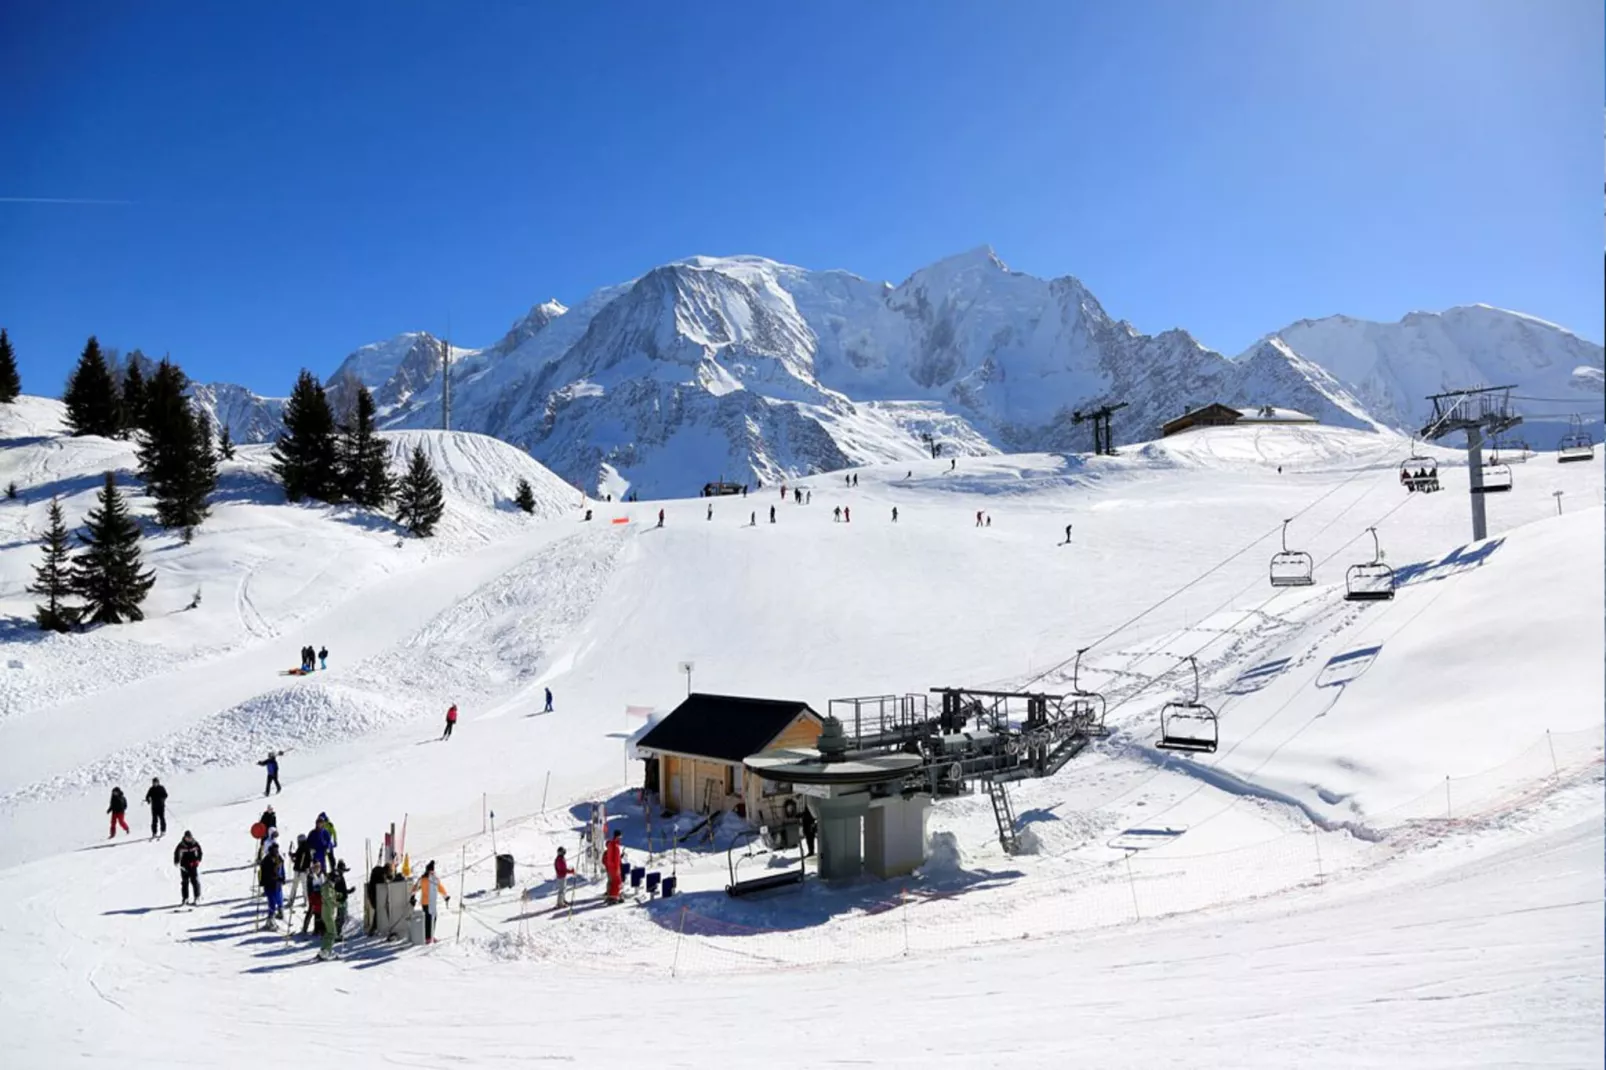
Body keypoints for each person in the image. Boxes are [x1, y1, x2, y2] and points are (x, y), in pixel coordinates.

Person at [413, 861, 449, 944]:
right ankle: (428, 937)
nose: (432, 872)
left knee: (429, 919)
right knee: (431, 919)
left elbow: (415, 888)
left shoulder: (422, 879)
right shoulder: (431, 879)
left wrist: (413, 895)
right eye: (431, 871)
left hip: (426, 903)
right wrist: (445, 896)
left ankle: (429, 936)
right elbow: (440, 888)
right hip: (429, 902)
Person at [318, 867, 346, 960]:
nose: (337, 880)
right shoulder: (327, 887)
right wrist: (339, 905)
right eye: (336, 878)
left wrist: (339, 895)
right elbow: (329, 899)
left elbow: (332, 894)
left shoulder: (329, 886)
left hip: (328, 912)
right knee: (333, 933)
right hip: (327, 913)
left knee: (329, 932)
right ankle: (327, 952)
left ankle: (324, 950)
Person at [259, 843, 287, 923]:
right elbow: (265, 873)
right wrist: (263, 881)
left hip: (277, 884)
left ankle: (280, 912)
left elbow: (282, 869)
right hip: (270, 884)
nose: (276, 851)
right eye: (274, 850)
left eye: (277, 850)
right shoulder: (267, 860)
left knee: (279, 899)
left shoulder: (279, 858)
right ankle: (270, 920)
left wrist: (283, 878)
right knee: (272, 902)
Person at [174, 831, 203, 905]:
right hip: (184, 866)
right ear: (185, 837)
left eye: (190, 837)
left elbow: (200, 852)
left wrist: (198, 860)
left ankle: (197, 897)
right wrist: (176, 861)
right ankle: (185, 898)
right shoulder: (181, 845)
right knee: (185, 882)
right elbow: (176, 853)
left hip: (193, 865)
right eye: (187, 838)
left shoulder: (195, 843)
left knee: (194, 881)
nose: (189, 839)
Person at [603, 830, 624, 903]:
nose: (620, 838)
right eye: (620, 837)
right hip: (614, 867)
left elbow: (615, 857)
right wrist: (617, 868)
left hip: (612, 867)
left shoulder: (612, 844)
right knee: (617, 882)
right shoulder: (615, 845)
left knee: (615, 882)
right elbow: (615, 858)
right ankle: (613, 897)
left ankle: (614, 896)